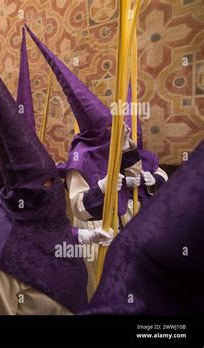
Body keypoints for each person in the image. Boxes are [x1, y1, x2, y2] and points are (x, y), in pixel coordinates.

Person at [0, 0, 108, 314]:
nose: (52, 189)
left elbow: (49, 240)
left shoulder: (39, 216)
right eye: (43, 184)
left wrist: (85, 235)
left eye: (52, 180)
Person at [26, 25, 142, 298]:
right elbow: (78, 207)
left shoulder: (117, 141)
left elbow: (135, 175)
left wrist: (128, 153)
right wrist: (101, 189)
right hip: (98, 226)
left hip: (126, 217)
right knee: (102, 283)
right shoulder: (80, 156)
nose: (108, 138)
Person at [84, 140, 204, 315]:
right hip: (107, 220)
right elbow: (81, 201)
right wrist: (104, 188)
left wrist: (153, 180)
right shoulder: (89, 158)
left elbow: (168, 185)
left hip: (143, 213)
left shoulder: (148, 158)